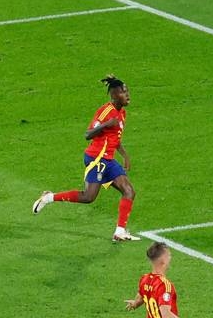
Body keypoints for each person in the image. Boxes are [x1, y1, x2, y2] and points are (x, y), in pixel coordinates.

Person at [32, 75, 140, 243]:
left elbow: (114, 138)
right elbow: (88, 134)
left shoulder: (122, 113)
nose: (127, 95)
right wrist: (106, 124)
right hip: (96, 158)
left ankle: (119, 232)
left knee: (129, 191)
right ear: (114, 95)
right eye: (123, 92)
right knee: (88, 197)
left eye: (127, 91)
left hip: (108, 160)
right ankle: (49, 197)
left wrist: (124, 155)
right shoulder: (106, 111)